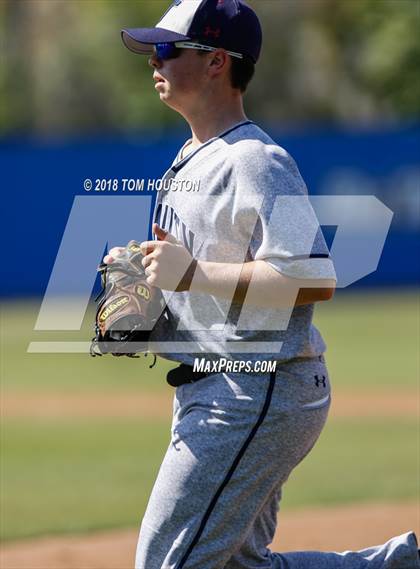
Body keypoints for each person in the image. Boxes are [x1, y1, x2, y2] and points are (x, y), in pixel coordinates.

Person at [107, 1, 419, 567]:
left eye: (167, 49)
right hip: (217, 387)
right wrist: (153, 303)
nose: (155, 61)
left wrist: (193, 274)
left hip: (258, 389)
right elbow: (205, 283)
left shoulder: (256, 159)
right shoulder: (188, 159)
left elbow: (313, 273)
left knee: (167, 563)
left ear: (216, 62)